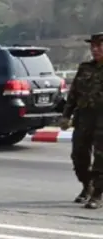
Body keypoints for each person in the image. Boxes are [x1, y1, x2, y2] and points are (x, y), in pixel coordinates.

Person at [62, 32, 103, 209]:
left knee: (101, 159)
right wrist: (66, 115)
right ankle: (87, 186)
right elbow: (73, 94)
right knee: (78, 156)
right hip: (84, 118)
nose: (95, 49)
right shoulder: (85, 68)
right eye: (93, 46)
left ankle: (97, 195)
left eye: (99, 46)